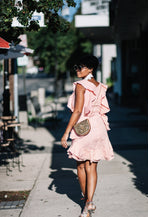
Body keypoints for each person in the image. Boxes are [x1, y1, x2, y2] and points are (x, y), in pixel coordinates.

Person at [61, 55, 114, 217]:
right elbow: (103, 109)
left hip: (84, 127)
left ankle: (86, 203)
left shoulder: (80, 86)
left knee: (81, 165)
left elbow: (77, 111)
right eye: (76, 67)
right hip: (99, 126)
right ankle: (89, 203)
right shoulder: (99, 86)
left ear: (90, 69)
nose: (77, 70)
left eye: (81, 67)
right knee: (92, 165)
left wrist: (65, 133)